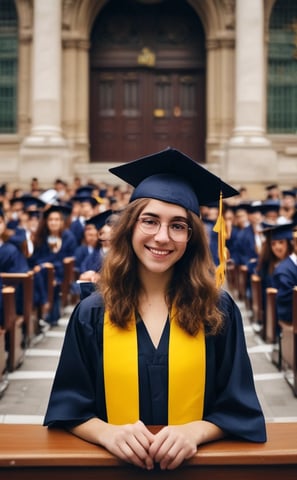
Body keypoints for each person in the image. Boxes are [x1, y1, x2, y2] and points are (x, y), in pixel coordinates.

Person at [44, 148, 266, 470]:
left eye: (178, 225)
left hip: (198, 471)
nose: (162, 237)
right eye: (150, 221)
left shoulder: (216, 310)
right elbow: (69, 406)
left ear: (191, 237)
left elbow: (239, 406)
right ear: (130, 227)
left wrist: (196, 431)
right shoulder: (92, 312)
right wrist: (107, 433)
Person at [272, 225, 297, 322]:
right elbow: (286, 310)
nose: (277, 247)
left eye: (281, 242)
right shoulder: (283, 271)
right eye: (273, 243)